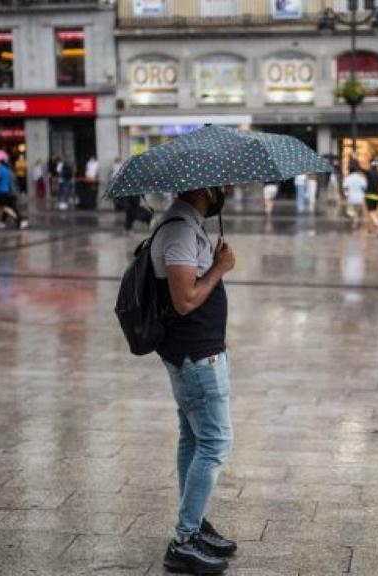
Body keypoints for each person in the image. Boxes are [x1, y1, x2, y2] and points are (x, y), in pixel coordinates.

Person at [150, 187, 238, 574]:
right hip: (195, 356)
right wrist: (221, 268)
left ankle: (194, 522)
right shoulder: (180, 231)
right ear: (207, 188)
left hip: (197, 350)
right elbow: (184, 299)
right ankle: (184, 540)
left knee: (193, 438)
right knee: (216, 441)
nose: (229, 191)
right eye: (224, 185)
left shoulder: (188, 224)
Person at [0, 160, 26, 229]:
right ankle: (0, 222)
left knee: (4, 207)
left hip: (2, 192)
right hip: (4, 191)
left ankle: (19, 220)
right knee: (0, 207)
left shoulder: (0, 170)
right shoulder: (7, 170)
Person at [342, 162, 367, 228]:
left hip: (351, 199)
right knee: (358, 213)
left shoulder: (348, 178)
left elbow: (345, 188)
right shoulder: (361, 178)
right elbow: (364, 188)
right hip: (359, 199)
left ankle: (353, 224)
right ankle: (356, 224)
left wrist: (346, 195)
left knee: (351, 213)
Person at [364, 166, 378, 236]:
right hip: (376, 196)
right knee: (372, 212)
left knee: (371, 213)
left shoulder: (369, 173)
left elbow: (362, 170)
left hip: (369, 195)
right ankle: (369, 229)